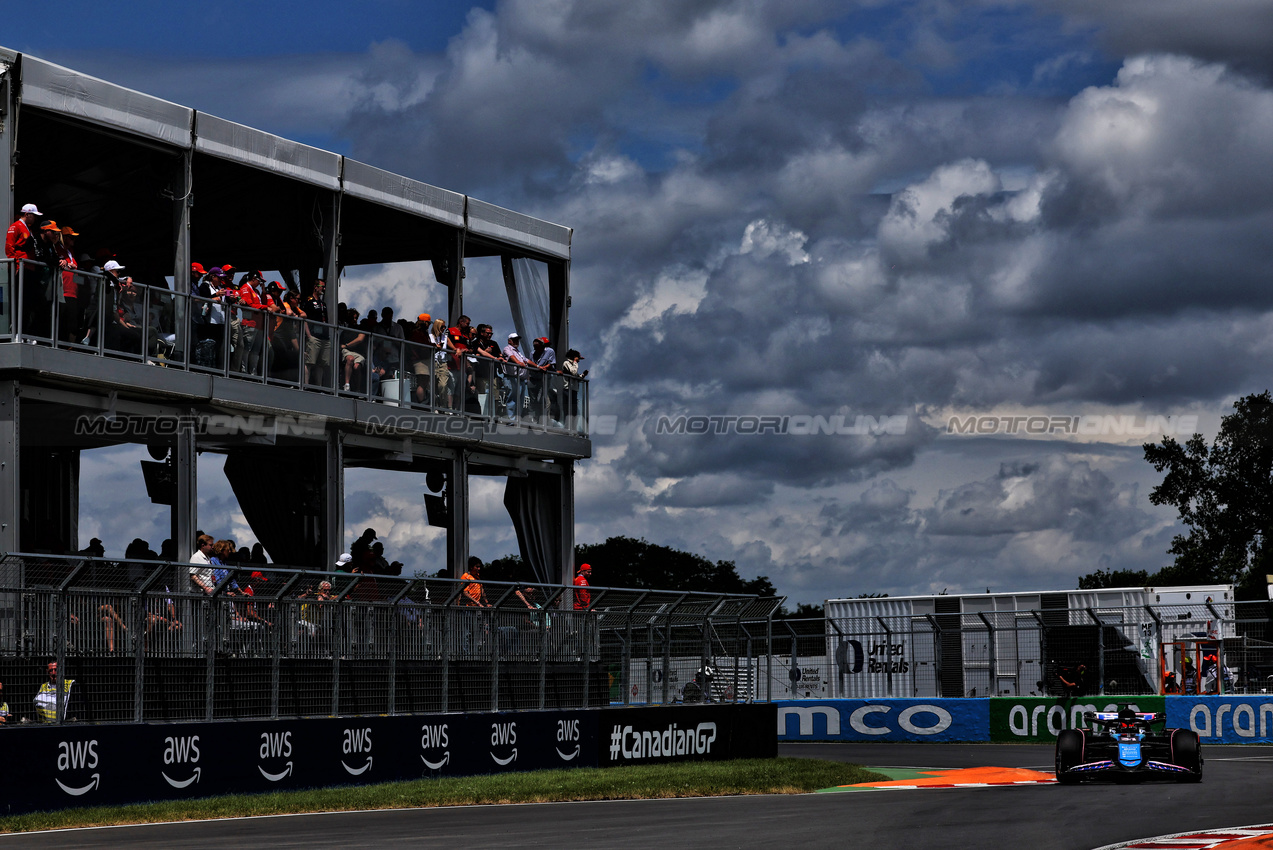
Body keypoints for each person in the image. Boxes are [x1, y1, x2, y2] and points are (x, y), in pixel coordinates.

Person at [303, 279, 331, 387]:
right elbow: (304, 318)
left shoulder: (323, 304)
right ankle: (305, 385)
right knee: (309, 362)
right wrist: (309, 335)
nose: (323, 289)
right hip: (314, 336)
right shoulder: (309, 301)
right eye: (321, 286)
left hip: (324, 337)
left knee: (322, 363)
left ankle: (319, 386)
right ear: (315, 287)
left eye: (324, 287)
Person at [502, 332, 533, 421]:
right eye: (514, 340)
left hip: (520, 378)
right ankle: (511, 420)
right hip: (511, 377)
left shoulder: (518, 352)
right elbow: (511, 357)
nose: (517, 342)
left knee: (520, 400)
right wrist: (519, 363)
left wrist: (538, 366)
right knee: (512, 398)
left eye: (517, 340)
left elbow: (526, 360)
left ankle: (517, 419)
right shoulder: (507, 349)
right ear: (509, 341)